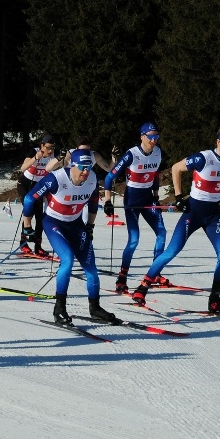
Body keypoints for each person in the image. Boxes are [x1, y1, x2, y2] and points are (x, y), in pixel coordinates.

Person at [130, 127, 220, 315]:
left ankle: (214, 300)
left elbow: (219, 181)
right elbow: (175, 168)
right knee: (172, 251)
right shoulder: (203, 158)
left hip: (212, 215)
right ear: (218, 142)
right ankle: (142, 288)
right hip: (194, 212)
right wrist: (179, 196)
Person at [21, 148, 119, 325]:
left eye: (89, 167)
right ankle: (59, 308)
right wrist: (27, 226)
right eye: (82, 167)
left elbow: (94, 202)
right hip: (54, 223)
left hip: (76, 224)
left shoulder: (91, 179)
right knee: (67, 260)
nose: (86, 172)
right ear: (72, 165)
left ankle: (95, 307)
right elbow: (29, 198)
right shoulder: (56, 178)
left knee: (91, 268)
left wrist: (90, 226)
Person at [103, 123, 168, 293]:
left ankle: (155, 273)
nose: (153, 141)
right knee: (134, 239)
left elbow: (155, 175)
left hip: (148, 199)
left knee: (161, 233)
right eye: (150, 137)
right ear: (142, 136)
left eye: (156, 137)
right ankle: (122, 278)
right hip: (132, 200)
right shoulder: (131, 155)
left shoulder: (158, 152)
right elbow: (109, 178)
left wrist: (155, 196)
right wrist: (108, 201)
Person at [16, 135, 56, 257]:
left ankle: (38, 246)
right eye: (48, 148)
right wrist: (35, 158)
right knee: (29, 210)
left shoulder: (53, 155)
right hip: (25, 184)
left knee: (40, 217)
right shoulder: (34, 151)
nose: (50, 151)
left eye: (52, 148)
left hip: (39, 187)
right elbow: (23, 168)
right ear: (42, 146)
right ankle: (23, 243)